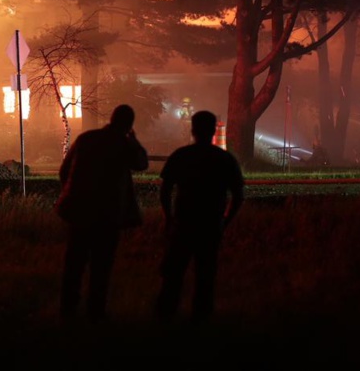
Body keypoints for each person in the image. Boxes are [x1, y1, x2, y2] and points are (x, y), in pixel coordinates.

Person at [55, 104, 149, 323]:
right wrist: (133, 140)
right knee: (101, 266)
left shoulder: (86, 138)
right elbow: (141, 163)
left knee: (74, 263)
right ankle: (95, 312)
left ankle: (67, 310)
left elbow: (64, 171)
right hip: (108, 214)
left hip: (79, 212)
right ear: (128, 125)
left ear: (111, 118)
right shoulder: (123, 144)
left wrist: (72, 194)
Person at [155, 110, 245, 324]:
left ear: (193, 129)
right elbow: (238, 196)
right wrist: (225, 221)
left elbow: (165, 190)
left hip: (183, 224)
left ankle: (165, 318)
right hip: (210, 226)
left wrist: (168, 217)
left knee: (173, 274)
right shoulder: (224, 159)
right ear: (214, 130)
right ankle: (201, 320)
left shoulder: (181, 156)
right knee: (205, 276)